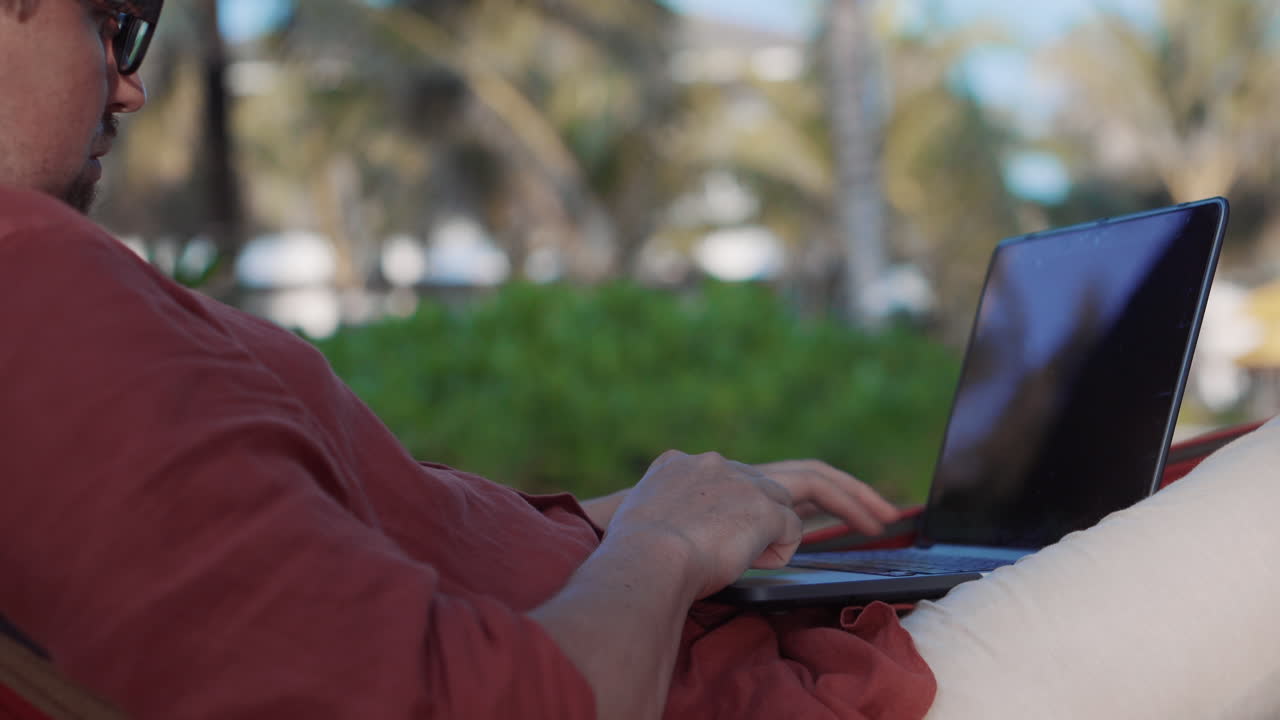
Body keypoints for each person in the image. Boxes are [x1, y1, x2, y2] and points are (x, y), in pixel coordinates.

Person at [1, 2, 1278, 719]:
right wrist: (664, 543)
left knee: (1153, 481)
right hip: (839, 701)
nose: (130, 86)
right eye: (113, 21)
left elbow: (328, 591)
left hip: (780, 646)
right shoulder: (31, 279)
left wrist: (600, 524)